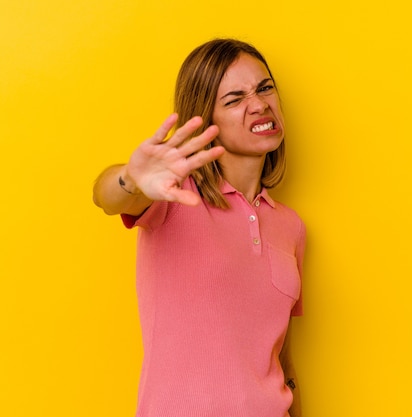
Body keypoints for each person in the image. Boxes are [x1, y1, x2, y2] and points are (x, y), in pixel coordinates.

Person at [93, 38, 306, 417]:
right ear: (207, 122)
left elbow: (281, 360)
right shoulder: (171, 197)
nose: (258, 104)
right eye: (234, 98)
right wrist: (131, 179)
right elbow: (107, 197)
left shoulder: (290, 227)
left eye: (264, 87)